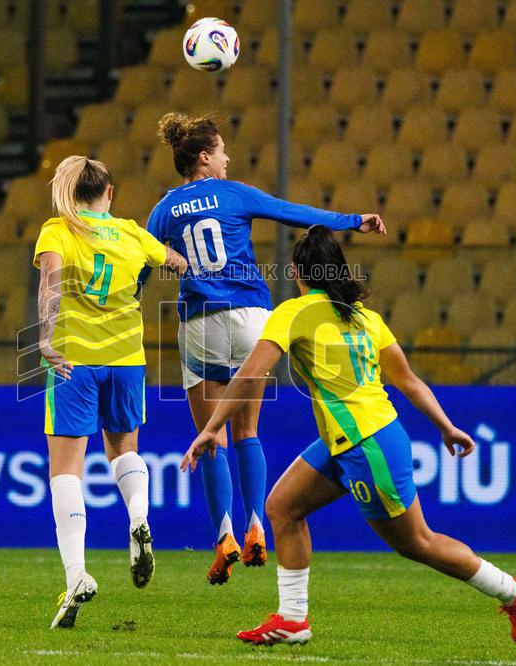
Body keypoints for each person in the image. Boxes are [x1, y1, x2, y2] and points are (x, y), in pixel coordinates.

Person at [181, 225, 516, 645]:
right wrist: (446, 426)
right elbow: (409, 382)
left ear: (297, 271)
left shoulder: (293, 313)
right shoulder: (366, 318)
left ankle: (514, 591)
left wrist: (211, 427)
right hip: (357, 439)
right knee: (283, 507)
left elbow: (248, 375)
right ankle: (293, 620)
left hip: (367, 447)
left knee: (419, 543)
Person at [147, 112, 386, 585]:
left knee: (209, 434)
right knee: (246, 431)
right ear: (204, 157)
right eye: (221, 152)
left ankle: (224, 537)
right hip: (255, 318)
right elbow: (293, 212)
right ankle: (258, 523)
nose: (227, 158)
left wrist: (129, 295)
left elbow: (141, 255)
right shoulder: (236, 194)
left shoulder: (163, 210)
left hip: (202, 320)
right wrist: (353, 220)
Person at [35, 155, 187, 629]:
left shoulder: (58, 229)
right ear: (110, 192)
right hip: (126, 359)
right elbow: (178, 264)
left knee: (66, 470)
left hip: (72, 360)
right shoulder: (131, 232)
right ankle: (138, 517)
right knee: (123, 449)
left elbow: (50, 281)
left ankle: (77, 573)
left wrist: (43, 337)